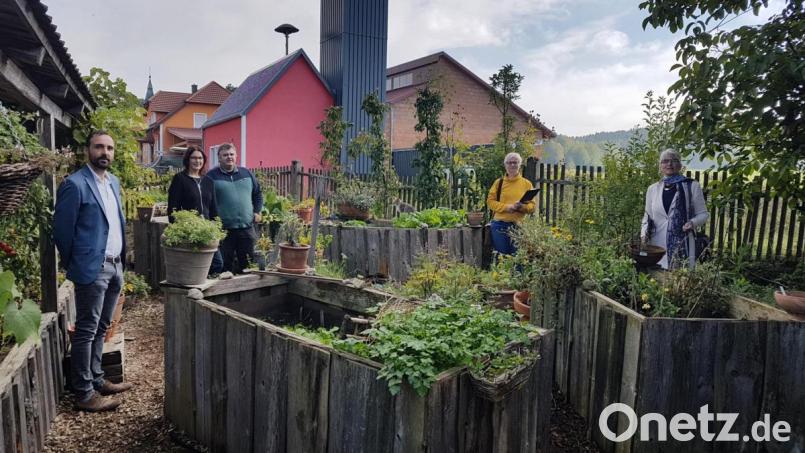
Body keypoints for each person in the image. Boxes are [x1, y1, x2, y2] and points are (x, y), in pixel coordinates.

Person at [53, 131, 134, 412]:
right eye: (99, 146)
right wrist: (76, 262)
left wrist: (121, 260)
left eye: (110, 148)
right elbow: (62, 233)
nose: (105, 152)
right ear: (88, 150)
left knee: (102, 327)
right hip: (92, 268)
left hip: (115, 265)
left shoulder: (113, 182)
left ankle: (98, 379)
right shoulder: (74, 185)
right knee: (87, 330)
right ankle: (84, 393)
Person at [640, 148, 709, 269]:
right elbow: (647, 217)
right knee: (656, 279)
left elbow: (703, 215)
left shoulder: (692, 186)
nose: (669, 164)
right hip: (656, 246)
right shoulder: (652, 189)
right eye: (665, 161)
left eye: (674, 160)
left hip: (683, 242)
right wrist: (643, 234)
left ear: (680, 165)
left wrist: (692, 223)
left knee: (681, 280)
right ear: (660, 165)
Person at [206, 143, 263, 274]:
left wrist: (257, 211)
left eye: (231, 154)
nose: (229, 157)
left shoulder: (247, 173)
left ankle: (247, 292)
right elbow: (205, 201)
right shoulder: (211, 176)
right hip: (223, 230)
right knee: (224, 266)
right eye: (225, 155)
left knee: (248, 265)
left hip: (247, 228)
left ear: (236, 156)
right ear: (219, 158)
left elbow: (257, 193)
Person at [167, 146, 222, 274]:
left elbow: (214, 208)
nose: (197, 161)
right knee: (195, 266)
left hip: (208, 230)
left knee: (217, 263)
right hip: (190, 231)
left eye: (200, 158)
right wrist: (179, 229)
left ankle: (208, 290)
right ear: (187, 159)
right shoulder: (179, 179)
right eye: (194, 158)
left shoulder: (208, 181)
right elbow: (172, 208)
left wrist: (218, 229)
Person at [486, 152, 536, 256]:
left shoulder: (527, 184)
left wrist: (522, 207)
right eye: (509, 163)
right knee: (502, 257)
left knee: (518, 258)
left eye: (515, 162)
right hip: (500, 225)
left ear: (520, 165)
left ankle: (518, 273)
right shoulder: (498, 183)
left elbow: (532, 207)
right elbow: (490, 202)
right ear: (505, 165)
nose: (512, 165)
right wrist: (507, 207)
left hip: (519, 226)